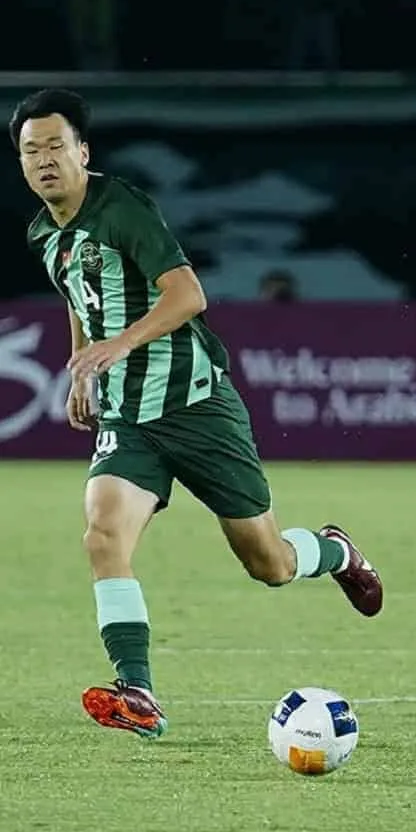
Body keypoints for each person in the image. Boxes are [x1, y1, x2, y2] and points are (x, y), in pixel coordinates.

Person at [12, 88, 382, 739]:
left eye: (55, 146)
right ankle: (139, 692)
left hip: (197, 407)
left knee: (267, 563)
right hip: (129, 420)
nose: (44, 160)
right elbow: (77, 291)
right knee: (102, 536)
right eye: (30, 150)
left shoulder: (122, 207)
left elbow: (188, 294)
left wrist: (119, 344)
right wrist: (79, 367)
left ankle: (334, 551)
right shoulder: (44, 231)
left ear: (83, 152)